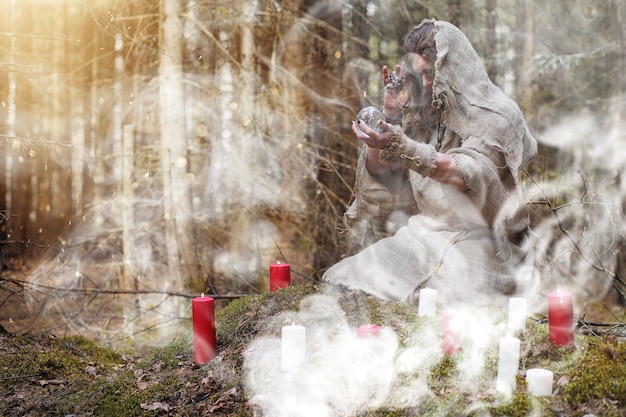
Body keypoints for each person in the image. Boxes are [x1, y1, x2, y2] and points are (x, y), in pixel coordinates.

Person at [323, 19, 539, 307]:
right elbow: (386, 184)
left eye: (432, 73)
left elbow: (467, 174)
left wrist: (400, 144)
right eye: (419, 73)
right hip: (427, 235)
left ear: (455, 67)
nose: (425, 83)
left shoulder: (497, 116)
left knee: (440, 302)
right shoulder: (422, 116)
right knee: (343, 277)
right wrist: (389, 118)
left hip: (488, 244)